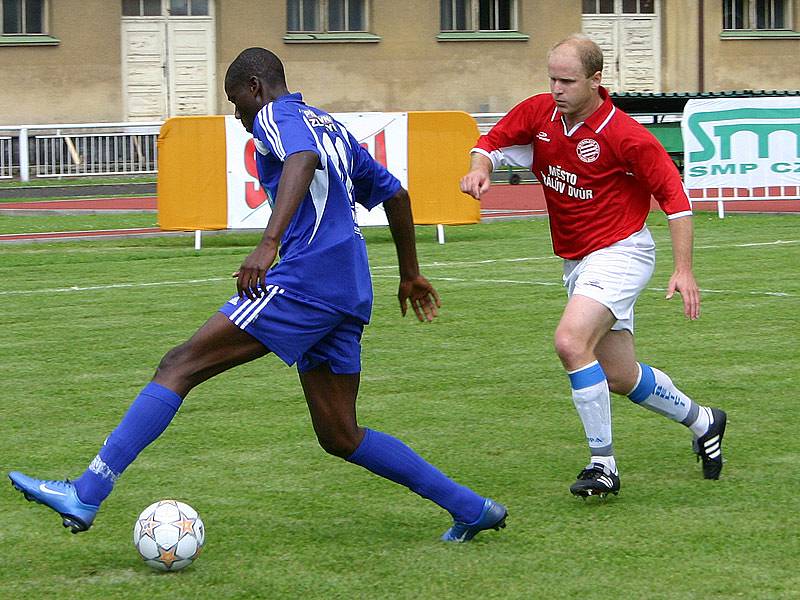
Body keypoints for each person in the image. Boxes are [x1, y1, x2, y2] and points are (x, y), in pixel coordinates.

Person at [9, 47, 506, 543]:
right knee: (340, 434)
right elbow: (396, 196)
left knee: (178, 365)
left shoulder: (275, 113)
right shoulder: (330, 125)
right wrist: (409, 274)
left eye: (235, 102)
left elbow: (302, 159)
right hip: (348, 290)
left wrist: (267, 245)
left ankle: (86, 491)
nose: (238, 116)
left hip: (305, 282)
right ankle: (471, 507)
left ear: (255, 87)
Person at [460, 34, 726, 498]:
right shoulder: (540, 111)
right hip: (578, 260)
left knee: (570, 341)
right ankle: (704, 420)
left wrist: (683, 269)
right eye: (552, 79)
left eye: (567, 80)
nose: (557, 89)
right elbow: (491, 141)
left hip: (622, 251)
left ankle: (603, 465)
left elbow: (676, 202)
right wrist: (481, 166)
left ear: (596, 81)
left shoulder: (626, 135)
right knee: (621, 376)